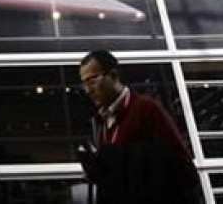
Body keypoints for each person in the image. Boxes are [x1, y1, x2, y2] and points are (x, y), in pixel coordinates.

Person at [77, 49, 200, 204]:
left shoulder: (147, 109)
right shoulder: (102, 124)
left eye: (92, 80)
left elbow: (184, 169)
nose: (87, 90)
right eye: (84, 83)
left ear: (114, 75)